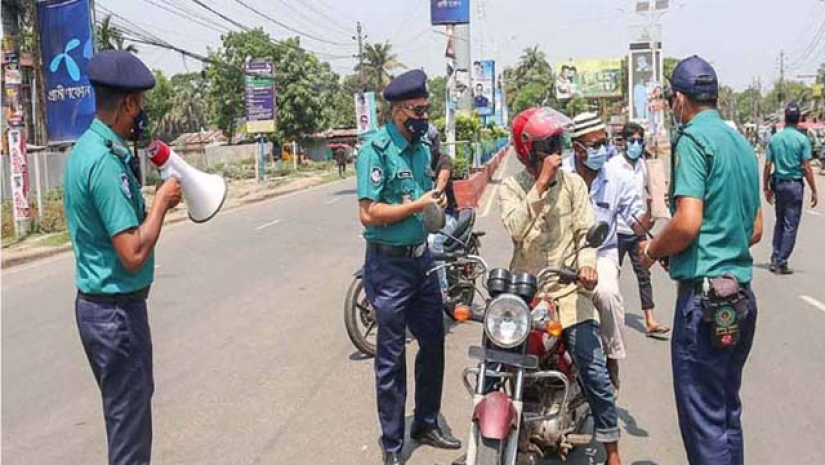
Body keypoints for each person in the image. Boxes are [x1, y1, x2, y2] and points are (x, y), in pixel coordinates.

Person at [639, 55, 762, 465]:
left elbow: (687, 222)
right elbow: (755, 228)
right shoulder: (741, 144)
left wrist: (654, 249)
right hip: (740, 297)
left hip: (705, 302)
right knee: (725, 413)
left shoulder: (692, 140)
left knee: (704, 422)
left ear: (679, 100)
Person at [63, 50, 182, 465]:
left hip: (98, 311)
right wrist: (162, 203)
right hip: (116, 316)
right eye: (141, 105)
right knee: (130, 429)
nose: (142, 115)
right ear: (128, 104)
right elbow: (131, 251)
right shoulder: (105, 163)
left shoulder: (85, 151)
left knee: (123, 416)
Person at [498, 107, 621, 465]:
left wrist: (587, 267)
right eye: (548, 144)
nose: (556, 151)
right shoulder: (512, 187)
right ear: (529, 150)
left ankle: (613, 450)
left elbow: (587, 234)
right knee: (497, 363)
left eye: (557, 142)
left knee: (593, 367)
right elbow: (515, 229)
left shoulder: (573, 184)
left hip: (568, 291)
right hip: (527, 293)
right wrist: (538, 186)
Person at [355, 69, 461, 465]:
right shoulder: (376, 150)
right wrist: (416, 206)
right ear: (399, 111)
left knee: (433, 343)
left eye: (427, 109)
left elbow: (436, 176)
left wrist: (436, 200)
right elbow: (369, 213)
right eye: (419, 110)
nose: (424, 116)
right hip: (388, 268)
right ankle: (392, 443)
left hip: (422, 262)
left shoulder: (420, 148)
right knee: (391, 356)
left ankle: (427, 421)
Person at [562, 112, 649, 392]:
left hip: (602, 253)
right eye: (596, 145)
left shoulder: (616, 177)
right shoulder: (560, 175)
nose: (603, 150)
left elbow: (635, 217)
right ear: (578, 148)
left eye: (605, 143)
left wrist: (651, 230)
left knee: (607, 294)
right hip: (562, 254)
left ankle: (612, 356)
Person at [609, 122, 670, 337]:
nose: (636, 145)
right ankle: (607, 318)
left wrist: (660, 197)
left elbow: (654, 187)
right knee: (610, 276)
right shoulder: (613, 167)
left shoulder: (643, 166)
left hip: (638, 228)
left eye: (639, 141)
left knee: (644, 272)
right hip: (616, 230)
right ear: (623, 142)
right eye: (632, 141)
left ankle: (650, 320)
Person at [764, 102, 818, 274]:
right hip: (795, 185)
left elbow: (767, 165)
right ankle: (781, 261)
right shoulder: (802, 140)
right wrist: (814, 190)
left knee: (780, 222)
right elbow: (807, 167)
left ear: (785, 118)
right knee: (790, 225)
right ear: (799, 119)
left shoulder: (775, 139)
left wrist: (765, 186)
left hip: (779, 184)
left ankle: (775, 256)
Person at [425, 124, 457, 299]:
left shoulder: (443, 161)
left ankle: (442, 290)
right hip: (423, 216)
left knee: (432, 242)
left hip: (447, 215)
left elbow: (442, 182)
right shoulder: (414, 161)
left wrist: (436, 193)